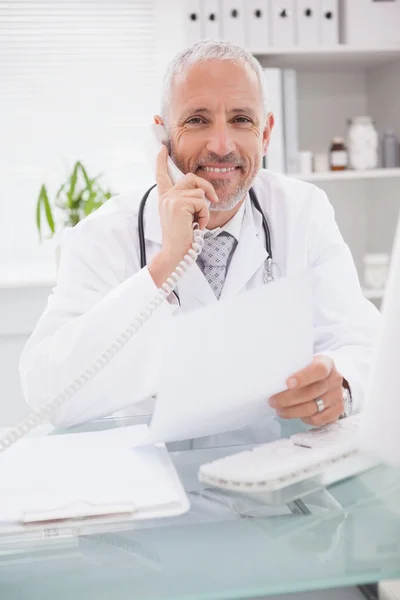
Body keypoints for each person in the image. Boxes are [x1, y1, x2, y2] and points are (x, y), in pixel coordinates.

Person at [20, 40, 381, 438]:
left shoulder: (302, 211)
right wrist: (165, 267)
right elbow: (47, 394)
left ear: (266, 134)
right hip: (149, 472)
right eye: (197, 120)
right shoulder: (103, 236)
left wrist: (342, 384)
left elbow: (362, 340)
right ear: (162, 136)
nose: (222, 145)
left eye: (242, 119)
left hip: (274, 467)